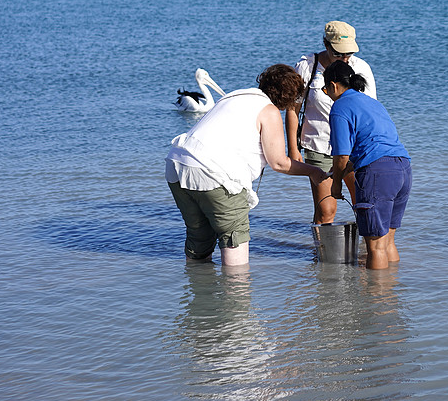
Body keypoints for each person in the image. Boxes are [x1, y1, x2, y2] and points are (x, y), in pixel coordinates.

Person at [167, 64, 328, 267]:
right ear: (289, 97)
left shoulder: (234, 96)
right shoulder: (268, 111)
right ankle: (236, 296)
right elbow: (278, 162)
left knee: (199, 239)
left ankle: (198, 293)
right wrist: (313, 172)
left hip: (177, 165)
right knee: (235, 249)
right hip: (214, 173)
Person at [322, 60, 411, 270]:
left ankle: (375, 299)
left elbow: (341, 156)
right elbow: (373, 144)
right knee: (387, 241)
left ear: (334, 85)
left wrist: (336, 185)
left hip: (378, 173)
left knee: (375, 247)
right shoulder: (372, 102)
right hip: (403, 168)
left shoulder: (339, 107)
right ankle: (391, 294)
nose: (327, 94)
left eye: (326, 89)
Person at [287, 20, 377, 225]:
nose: (345, 59)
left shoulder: (361, 67)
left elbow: (371, 111)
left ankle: (363, 254)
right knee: (326, 210)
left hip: (355, 147)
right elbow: (293, 109)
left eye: (349, 53)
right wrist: (293, 148)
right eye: (338, 53)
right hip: (318, 145)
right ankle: (320, 254)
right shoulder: (307, 66)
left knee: (363, 204)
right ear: (326, 45)